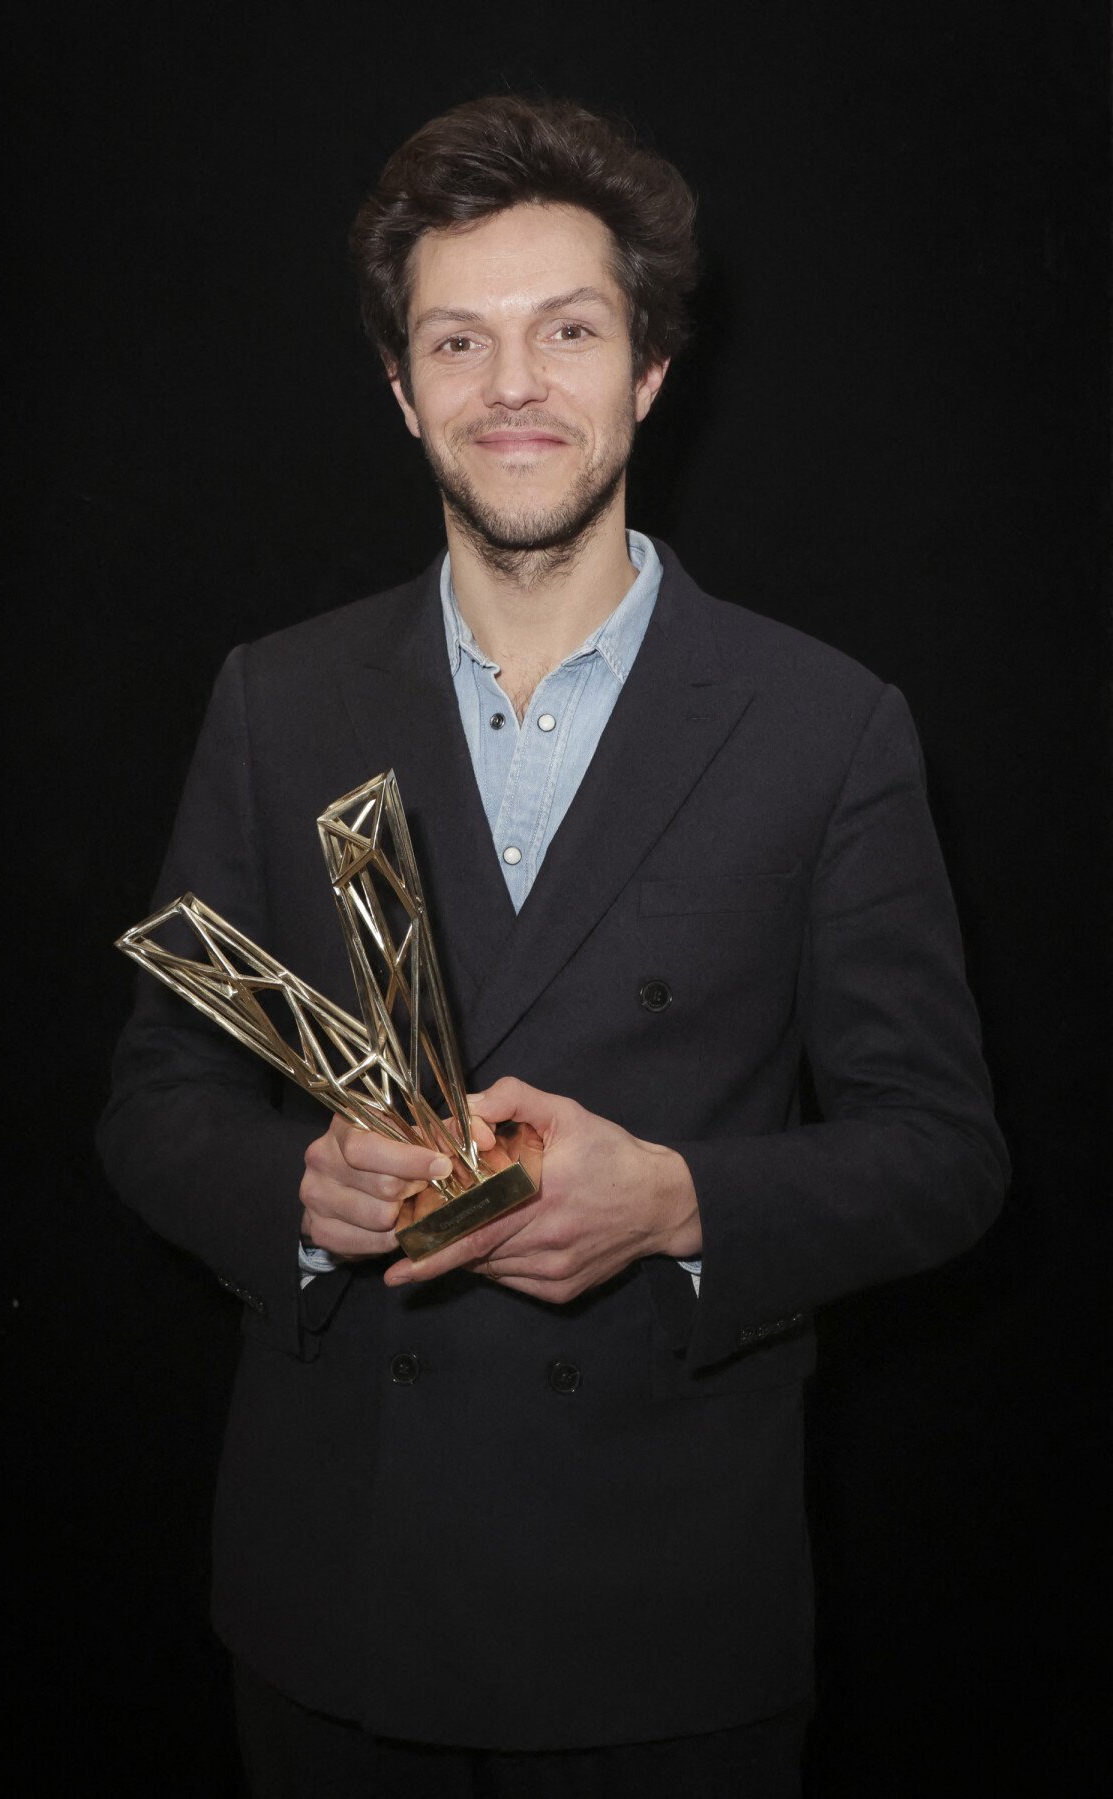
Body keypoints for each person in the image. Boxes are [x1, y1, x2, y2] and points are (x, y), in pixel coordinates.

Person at [99, 95, 1009, 1797]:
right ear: (402, 386)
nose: (512, 384)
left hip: (664, 1621)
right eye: (461, 339)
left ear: (648, 369)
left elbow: (946, 1156)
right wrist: (294, 1195)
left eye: (566, 331)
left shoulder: (826, 725)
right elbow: (154, 1096)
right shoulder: (274, 698)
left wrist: (679, 1203)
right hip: (331, 1613)